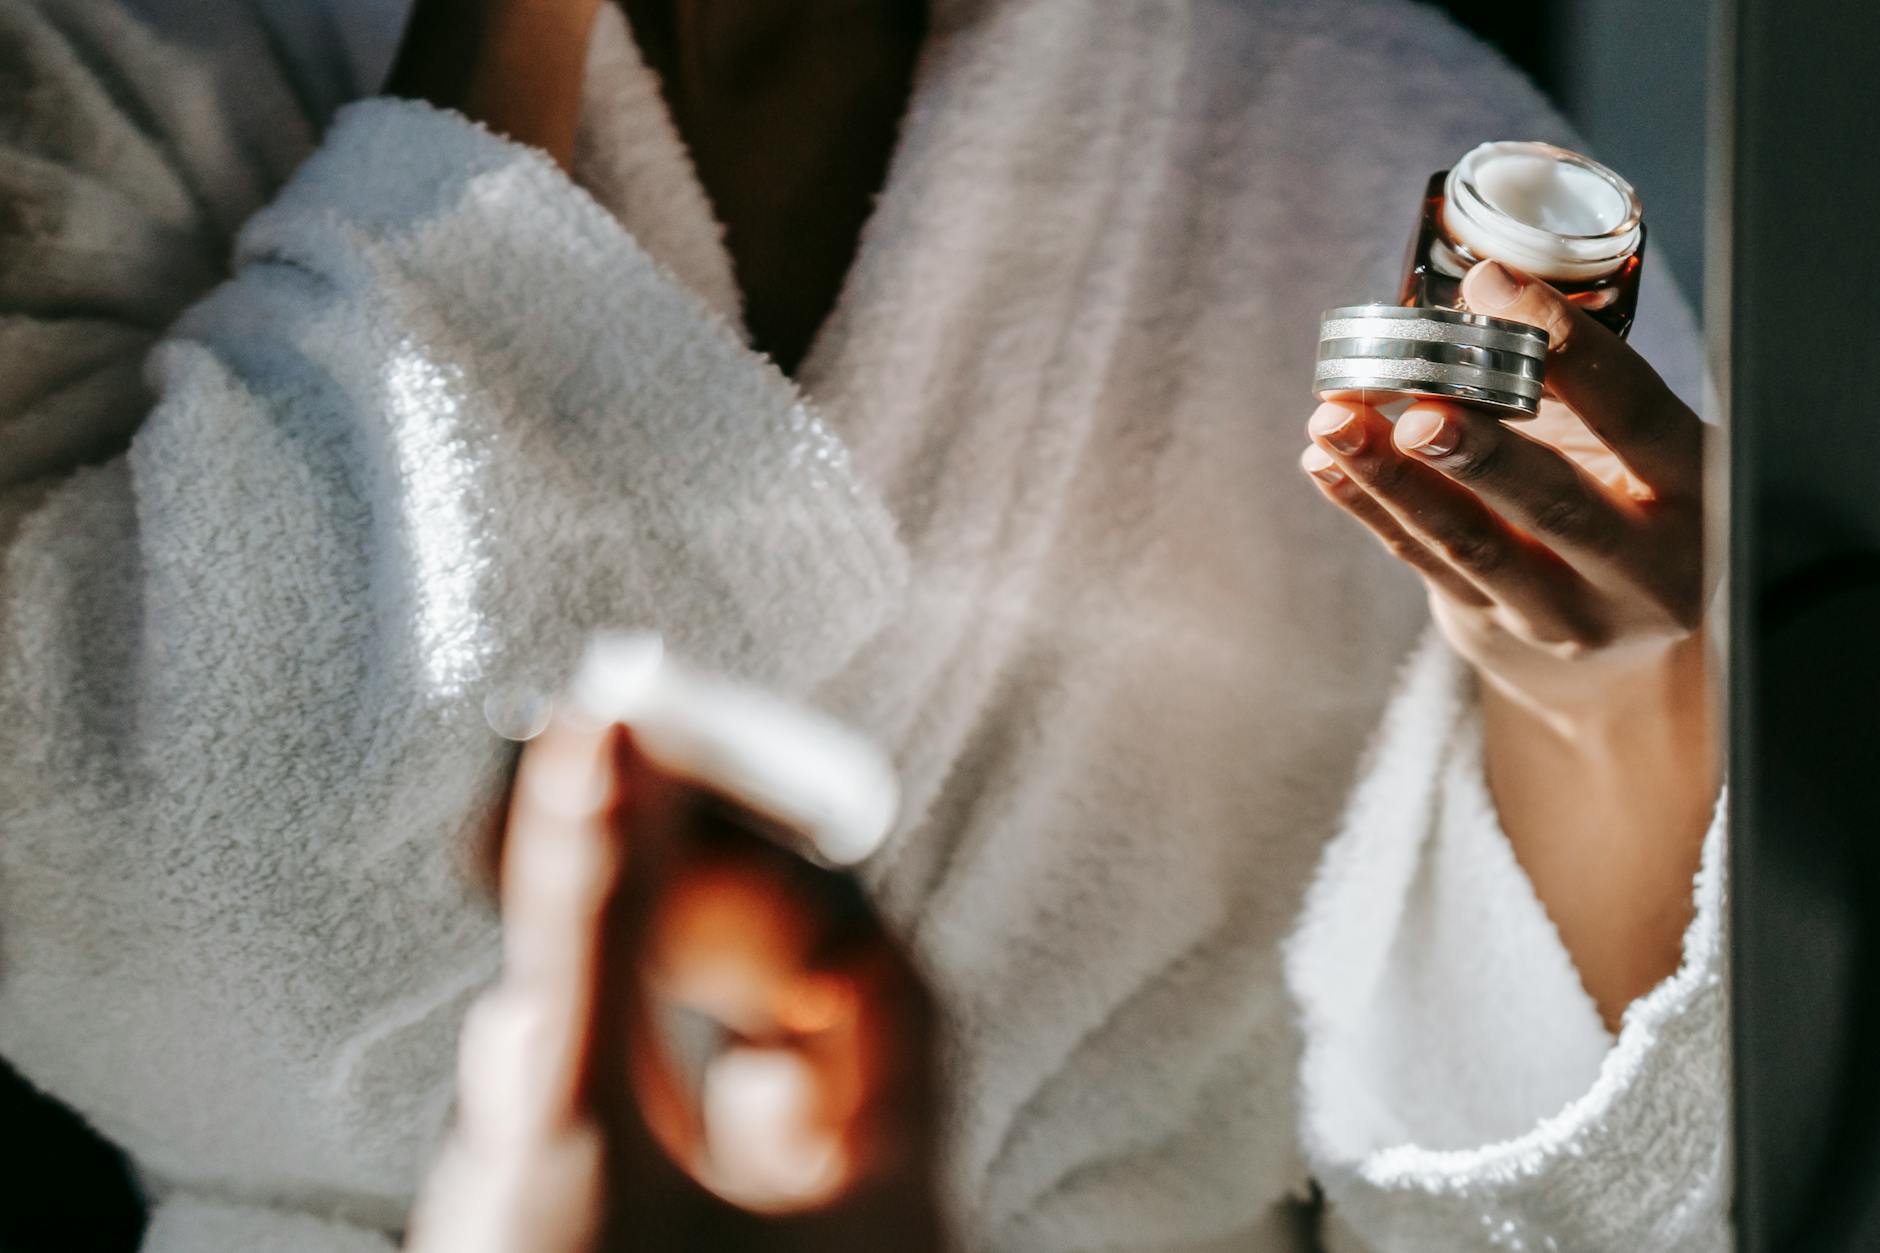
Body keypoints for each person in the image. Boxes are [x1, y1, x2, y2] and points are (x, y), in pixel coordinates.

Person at [0, 0, 1725, 1249]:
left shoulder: (1358, 124)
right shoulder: (109, 60)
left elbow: (1535, 1183)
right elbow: (152, 928)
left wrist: (1600, 689)